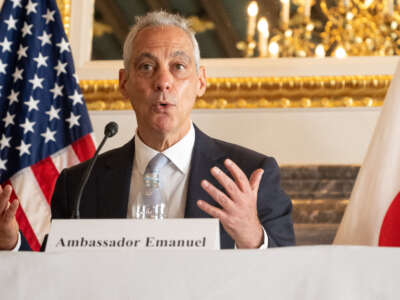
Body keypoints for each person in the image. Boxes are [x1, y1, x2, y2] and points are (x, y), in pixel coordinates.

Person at [0, 11, 295, 250]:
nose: (163, 82)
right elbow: (57, 276)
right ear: (123, 83)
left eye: (178, 66)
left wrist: (253, 237)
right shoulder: (79, 184)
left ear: (201, 82)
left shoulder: (250, 174)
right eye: (145, 66)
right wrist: (10, 243)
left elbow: (292, 277)